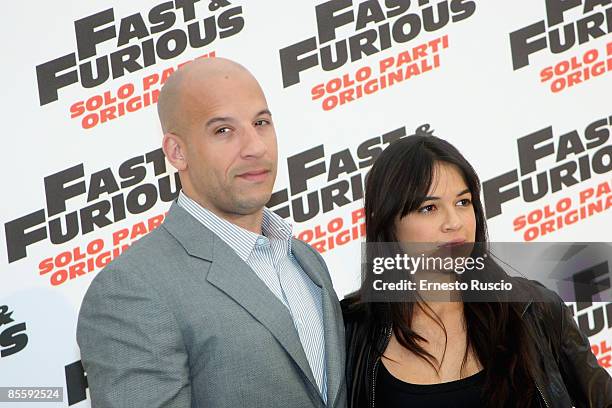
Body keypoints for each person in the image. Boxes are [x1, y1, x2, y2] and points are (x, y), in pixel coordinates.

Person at [77, 58, 347, 408]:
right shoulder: (131, 290)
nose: (255, 147)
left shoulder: (306, 259)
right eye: (223, 130)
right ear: (177, 152)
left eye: (261, 122)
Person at [342, 125, 612, 408]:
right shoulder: (349, 335)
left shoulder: (531, 309)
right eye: (429, 208)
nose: (454, 222)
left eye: (463, 202)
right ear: (385, 220)